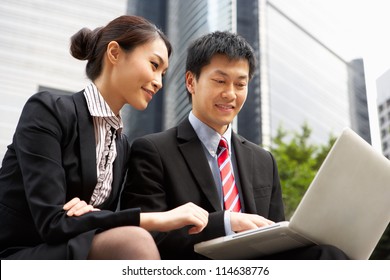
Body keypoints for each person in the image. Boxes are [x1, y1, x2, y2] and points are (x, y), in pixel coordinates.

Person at [121, 31, 349, 260]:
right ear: (191, 82)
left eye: (240, 84)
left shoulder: (264, 161)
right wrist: (226, 223)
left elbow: (278, 236)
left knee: (331, 254)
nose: (230, 94)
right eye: (220, 81)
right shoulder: (153, 150)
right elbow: (145, 236)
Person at [0, 15, 208, 260]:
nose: (159, 82)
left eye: (163, 73)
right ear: (114, 53)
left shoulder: (121, 144)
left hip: (74, 249)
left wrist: (88, 216)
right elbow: (52, 221)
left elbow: (95, 223)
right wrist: (157, 219)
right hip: (21, 254)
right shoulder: (48, 111)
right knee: (135, 241)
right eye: (154, 65)